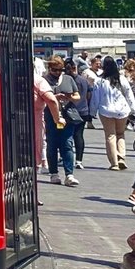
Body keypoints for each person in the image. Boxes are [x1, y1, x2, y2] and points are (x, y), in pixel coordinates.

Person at [90, 55, 135, 181]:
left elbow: (95, 98)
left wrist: (92, 112)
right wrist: (133, 110)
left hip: (106, 110)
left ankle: (114, 163)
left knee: (110, 135)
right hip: (122, 110)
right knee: (120, 134)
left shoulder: (100, 80)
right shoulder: (121, 78)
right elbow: (129, 95)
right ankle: (121, 157)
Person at [43, 55, 79, 186]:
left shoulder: (68, 79)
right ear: (49, 68)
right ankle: (54, 173)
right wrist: (53, 97)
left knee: (67, 144)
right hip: (50, 116)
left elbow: (77, 95)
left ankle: (69, 174)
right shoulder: (44, 80)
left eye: (60, 70)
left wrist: (69, 97)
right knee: (52, 145)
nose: (58, 73)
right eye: (55, 70)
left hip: (67, 116)